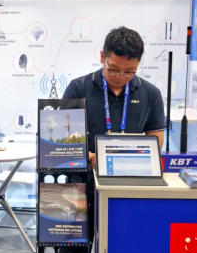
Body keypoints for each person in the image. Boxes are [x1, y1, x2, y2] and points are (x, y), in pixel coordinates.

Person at [62, 26, 165, 168]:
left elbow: (156, 142)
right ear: (102, 57)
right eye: (113, 69)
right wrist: (90, 157)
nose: (120, 76)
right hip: (85, 174)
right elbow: (63, 138)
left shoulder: (151, 93)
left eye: (129, 71)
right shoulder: (78, 88)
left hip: (130, 174)